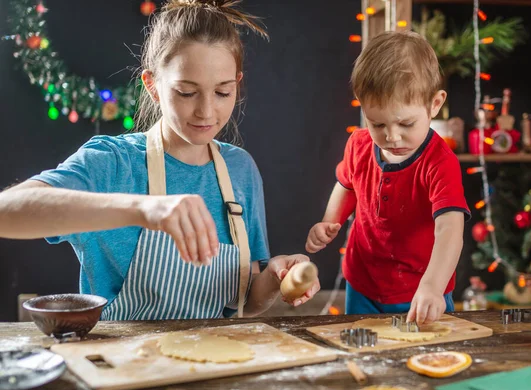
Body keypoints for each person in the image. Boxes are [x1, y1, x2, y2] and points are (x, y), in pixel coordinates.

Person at [0, 0, 320, 320]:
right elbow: (6, 211)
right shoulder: (114, 163)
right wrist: (143, 210)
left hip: (213, 359)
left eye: (222, 92)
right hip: (124, 362)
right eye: (186, 92)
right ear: (153, 86)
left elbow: (247, 301)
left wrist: (276, 278)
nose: (206, 112)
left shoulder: (241, 169)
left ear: (236, 84)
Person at [305, 31, 469, 324]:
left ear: (434, 104)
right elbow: (347, 185)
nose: (391, 137)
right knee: (363, 353)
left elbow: (450, 230)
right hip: (363, 281)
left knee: (425, 358)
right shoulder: (359, 144)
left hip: (421, 289)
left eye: (406, 123)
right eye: (377, 123)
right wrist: (330, 220)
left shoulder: (440, 163)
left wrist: (432, 286)